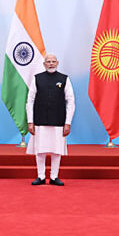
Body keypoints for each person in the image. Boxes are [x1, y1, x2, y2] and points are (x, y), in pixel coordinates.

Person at [26, 53, 74, 186]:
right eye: (48, 61)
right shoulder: (37, 79)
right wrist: (30, 121)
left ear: (57, 63)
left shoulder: (64, 79)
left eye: (53, 61)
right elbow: (29, 101)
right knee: (39, 150)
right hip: (40, 120)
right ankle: (40, 176)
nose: (51, 63)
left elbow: (70, 101)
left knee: (56, 150)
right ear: (44, 64)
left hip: (58, 120)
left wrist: (68, 122)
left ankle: (54, 176)